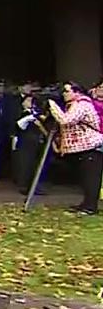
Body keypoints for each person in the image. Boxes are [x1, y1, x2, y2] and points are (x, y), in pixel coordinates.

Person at [48, 82, 103, 215]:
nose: (64, 94)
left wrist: (53, 106)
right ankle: (86, 204)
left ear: (77, 92)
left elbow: (66, 120)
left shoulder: (82, 104)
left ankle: (90, 207)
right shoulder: (72, 104)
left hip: (92, 145)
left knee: (91, 178)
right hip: (81, 147)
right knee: (84, 177)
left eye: (67, 91)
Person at [11, 91, 49, 195]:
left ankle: (34, 185)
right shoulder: (20, 112)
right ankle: (24, 186)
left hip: (35, 141)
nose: (30, 102)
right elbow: (18, 125)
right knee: (25, 163)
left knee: (34, 164)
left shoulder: (36, 112)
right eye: (27, 100)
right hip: (25, 141)